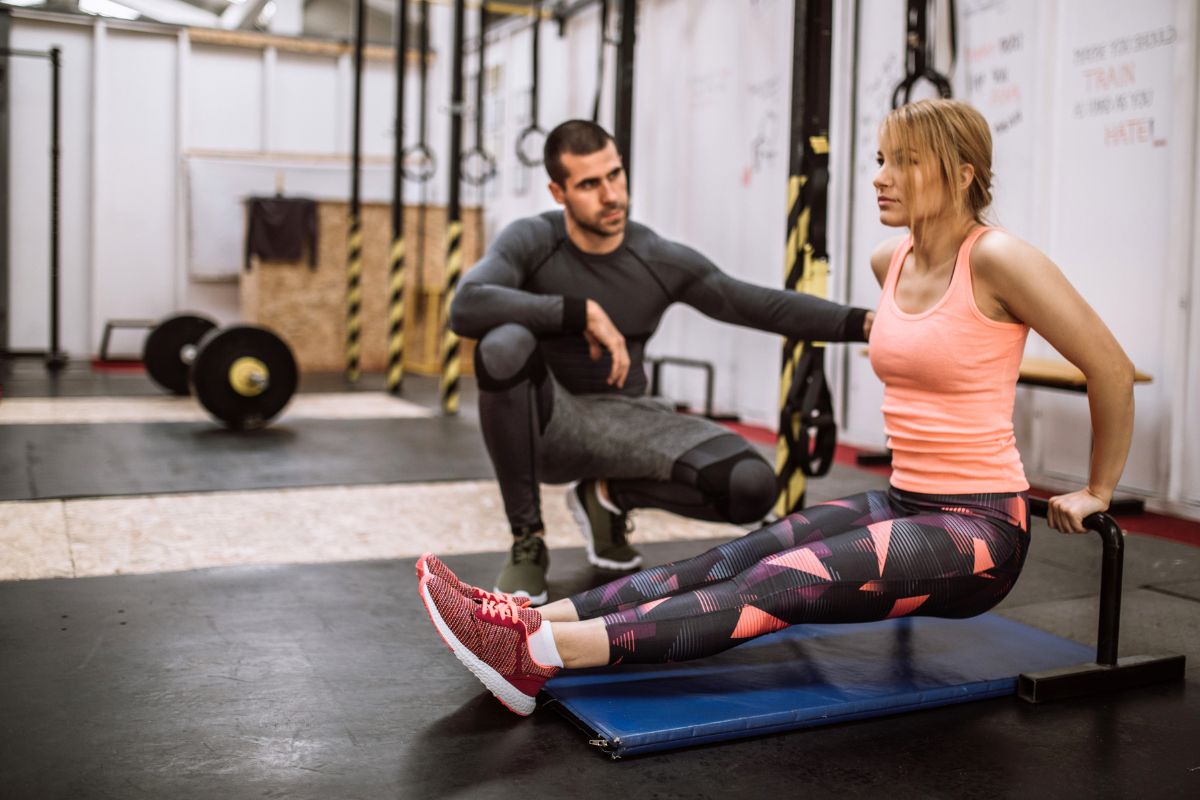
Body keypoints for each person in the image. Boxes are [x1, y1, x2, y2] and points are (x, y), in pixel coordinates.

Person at [420, 98, 1135, 717]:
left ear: (962, 173)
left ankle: (539, 654)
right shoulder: (892, 263)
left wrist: (1097, 488)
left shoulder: (1002, 258)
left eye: (902, 162)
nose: (880, 177)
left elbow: (1108, 366)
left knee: (783, 582)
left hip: (978, 528)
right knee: (737, 555)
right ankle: (532, 615)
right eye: (881, 159)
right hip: (904, 501)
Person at [451, 120, 874, 604]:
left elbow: (759, 304)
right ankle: (528, 541)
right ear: (558, 191)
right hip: (550, 421)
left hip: (630, 420)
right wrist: (579, 312)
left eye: (615, 175)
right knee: (503, 343)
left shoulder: (654, 257)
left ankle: (607, 498)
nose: (611, 195)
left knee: (751, 486)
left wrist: (865, 324)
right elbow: (467, 305)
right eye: (590, 184)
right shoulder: (531, 241)